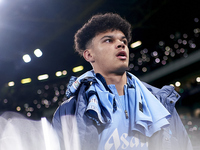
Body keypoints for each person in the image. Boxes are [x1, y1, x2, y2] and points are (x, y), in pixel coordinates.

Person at [52, 13, 193, 150]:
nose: (121, 44)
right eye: (109, 40)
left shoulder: (160, 102)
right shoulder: (68, 111)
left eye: (123, 41)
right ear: (89, 55)